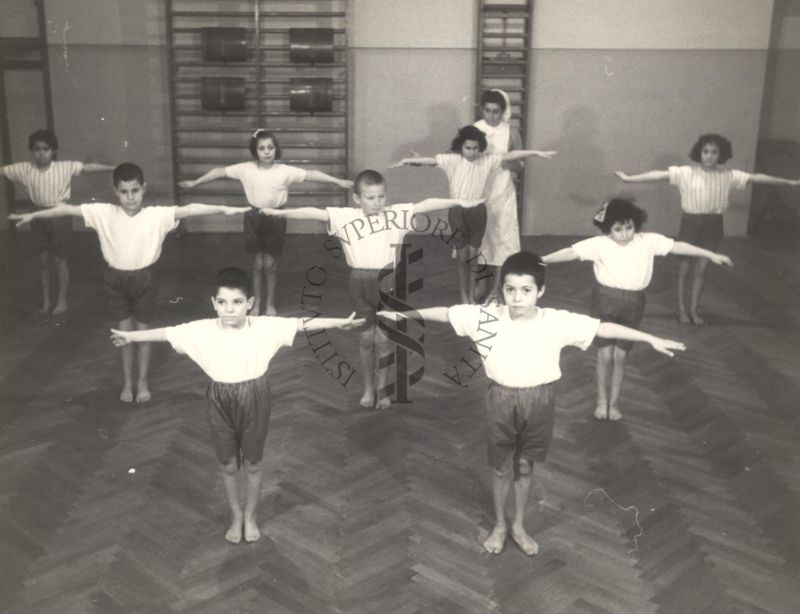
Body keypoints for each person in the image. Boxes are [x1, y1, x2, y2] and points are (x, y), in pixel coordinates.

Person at [379, 251, 685, 556]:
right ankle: (500, 525)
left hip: (539, 401)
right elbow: (446, 313)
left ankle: (519, 525)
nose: (517, 298)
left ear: (541, 291)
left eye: (526, 290)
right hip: (499, 399)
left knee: (525, 466)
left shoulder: (556, 321)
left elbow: (603, 328)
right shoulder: (485, 317)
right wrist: (402, 314)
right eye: (510, 289)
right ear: (502, 290)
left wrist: (649, 338)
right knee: (501, 469)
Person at [110, 266, 363, 544]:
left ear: (250, 304)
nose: (230, 309)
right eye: (223, 302)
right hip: (218, 398)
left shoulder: (265, 327)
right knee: (228, 464)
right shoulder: (200, 331)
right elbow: (165, 333)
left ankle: (251, 515)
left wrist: (340, 323)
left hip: (255, 395)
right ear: (214, 304)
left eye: (237, 302)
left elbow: (303, 323)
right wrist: (130, 336)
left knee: (253, 463)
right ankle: (236, 516)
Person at [9, 162, 246, 403]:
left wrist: (223, 208)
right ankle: (127, 381)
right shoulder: (103, 213)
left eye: (135, 190)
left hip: (145, 279)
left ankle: (141, 381)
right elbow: (65, 210)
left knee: (142, 334)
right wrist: (33, 214)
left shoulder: (156, 215)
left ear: (143, 188)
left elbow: (192, 209)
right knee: (124, 333)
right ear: (115, 191)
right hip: (115, 279)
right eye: (124, 191)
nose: (130, 197)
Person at [260, 169, 483, 410]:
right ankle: (368, 387)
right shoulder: (345, 217)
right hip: (359, 282)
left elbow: (426, 205)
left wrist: (459, 201)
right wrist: (276, 213)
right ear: (357, 199)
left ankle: (383, 388)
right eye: (371, 198)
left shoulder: (396, 215)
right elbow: (313, 213)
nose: (377, 203)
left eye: (381, 197)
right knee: (366, 339)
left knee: (384, 340)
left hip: (389, 280)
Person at [542, 198, 732, 421]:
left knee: (621, 356)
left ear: (636, 224)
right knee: (604, 355)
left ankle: (614, 404)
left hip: (634, 302)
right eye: (618, 229)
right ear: (608, 230)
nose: (624, 234)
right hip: (605, 299)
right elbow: (570, 252)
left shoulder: (647, 241)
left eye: (629, 227)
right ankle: (601, 402)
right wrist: (541, 259)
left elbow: (677, 246)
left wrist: (710, 254)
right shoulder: (599, 244)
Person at [614, 133, 800, 324]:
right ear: (699, 153)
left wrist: (789, 182)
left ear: (721, 155)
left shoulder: (728, 176)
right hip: (690, 223)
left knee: (701, 270)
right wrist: (630, 179)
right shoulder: (686, 173)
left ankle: (694, 309)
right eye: (705, 151)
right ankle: (681, 309)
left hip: (713, 225)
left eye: (714, 152)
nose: (709, 155)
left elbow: (756, 178)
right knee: (685, 269)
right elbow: (659, 175)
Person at [178, 129, 353, 316]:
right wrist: (196, 183)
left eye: (270, 147)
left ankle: (269, 303)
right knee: (257, 264)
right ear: (255, 151)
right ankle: (257, 301)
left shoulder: (285, 171)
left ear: (276, 149)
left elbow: (312, 174)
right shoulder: (245, 169)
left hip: (275, 218)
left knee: (269, 264)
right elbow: (219, 172)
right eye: (262, 148)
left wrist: (337, 181)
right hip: (254, 217)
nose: (267, 152)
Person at [390, 125, 556, 304]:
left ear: (481, 147)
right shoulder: (451, 160)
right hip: (458, 211)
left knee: (474, 257)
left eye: (476, 148)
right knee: (462, 257)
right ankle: (465, 296)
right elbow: (430, 161)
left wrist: (536, 152)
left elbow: (511, 155)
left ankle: (472, 294)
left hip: (478, 211)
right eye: (468, 148)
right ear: (461, 147)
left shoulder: (486, 160)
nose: (472, 152)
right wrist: (406, 159)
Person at [1, 128, 114, 315]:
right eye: (37, 149)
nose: (41, 153)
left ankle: (62, 301)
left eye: (46, 149)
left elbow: (89, 168)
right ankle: (46, 301)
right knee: (43, 260)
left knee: (59, 260)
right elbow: (3, 171)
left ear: (53, 150)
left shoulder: (63, 167)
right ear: (32, 150)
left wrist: (114, 168)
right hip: (37, 215)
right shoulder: (25, 169)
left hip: (59, 215)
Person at [474, 89, 526, 298]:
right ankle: (480, 284)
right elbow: (462, 158)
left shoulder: (511, 132)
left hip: (503, 193)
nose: (492, 116)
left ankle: (496, 288)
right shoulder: (474, 129)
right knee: (479, 240)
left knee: (502, 241)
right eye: (488, 111)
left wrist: (504, 161)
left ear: (502, 111)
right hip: (478, 192)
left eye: (496, 112)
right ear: (482, 110)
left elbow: (520, 165)